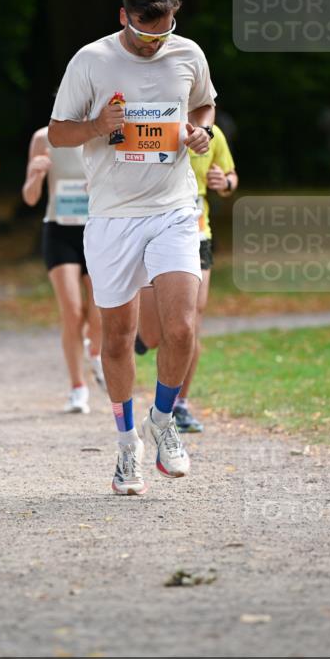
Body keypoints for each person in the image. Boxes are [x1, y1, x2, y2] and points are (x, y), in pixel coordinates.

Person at [49, 0, 217, 496]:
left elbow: (204, 104)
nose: (156, 43)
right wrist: (98, 126)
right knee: (118, 338)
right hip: (113, 217)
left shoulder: (187, 52)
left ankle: (163, 420)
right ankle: (127, 450)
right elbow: (58, 132)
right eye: (147, 33)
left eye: (165, 31)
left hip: (173, 207)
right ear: (124, 17)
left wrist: (200, 131)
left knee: (182, 327)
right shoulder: (90, 61)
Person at [135, 125, 238, 433]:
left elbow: (231, 176)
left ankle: (179, 403)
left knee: (191, 319)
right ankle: (143, 337)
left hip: (197, 234)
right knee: (155, 336)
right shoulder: (155, 126)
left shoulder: (214, 135)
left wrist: (225, 182)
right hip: (154, 233)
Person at [22, 125, 105, 414]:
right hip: (59, 231)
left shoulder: (104, 134)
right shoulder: (44, 138)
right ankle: (77, 387)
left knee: (99, 312)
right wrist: (36, 174)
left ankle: (95, 353)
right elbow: (30, 197)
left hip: (97, 231)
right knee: (71, 311)